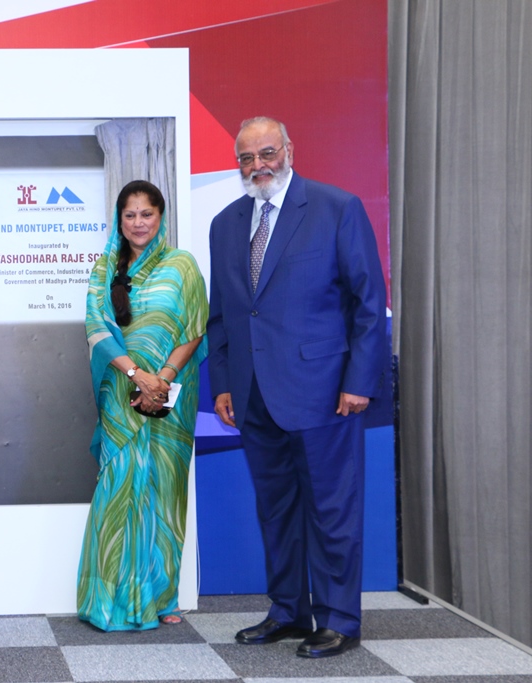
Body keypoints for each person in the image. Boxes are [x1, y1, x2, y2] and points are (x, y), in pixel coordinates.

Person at [207, 117, 387, 658]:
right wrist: (224, 384)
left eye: (267, 153)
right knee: (276, 511)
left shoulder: (336, 208)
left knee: (332, 511)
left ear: (289, 150)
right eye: (246, 158)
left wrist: (359, 381)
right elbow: (223, 315)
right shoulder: (225, 223)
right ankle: (288, 612)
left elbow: (368, 303)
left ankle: (338, 620)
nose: (257, 165)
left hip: (325, 393)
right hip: (253, 396)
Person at [78, 180, 208, 632]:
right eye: (129, 215)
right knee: (118, 490)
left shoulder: (182, 265)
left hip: (171, 397)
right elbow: (96, 328)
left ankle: (161, 596)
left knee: (164, 492)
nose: (138, 223)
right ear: (119, 221)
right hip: (122, 392)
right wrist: (137, 375)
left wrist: (163, 378)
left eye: (146, 214)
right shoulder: (104, 269)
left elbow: (195, 328)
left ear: (160, 217)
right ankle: (107, 600)